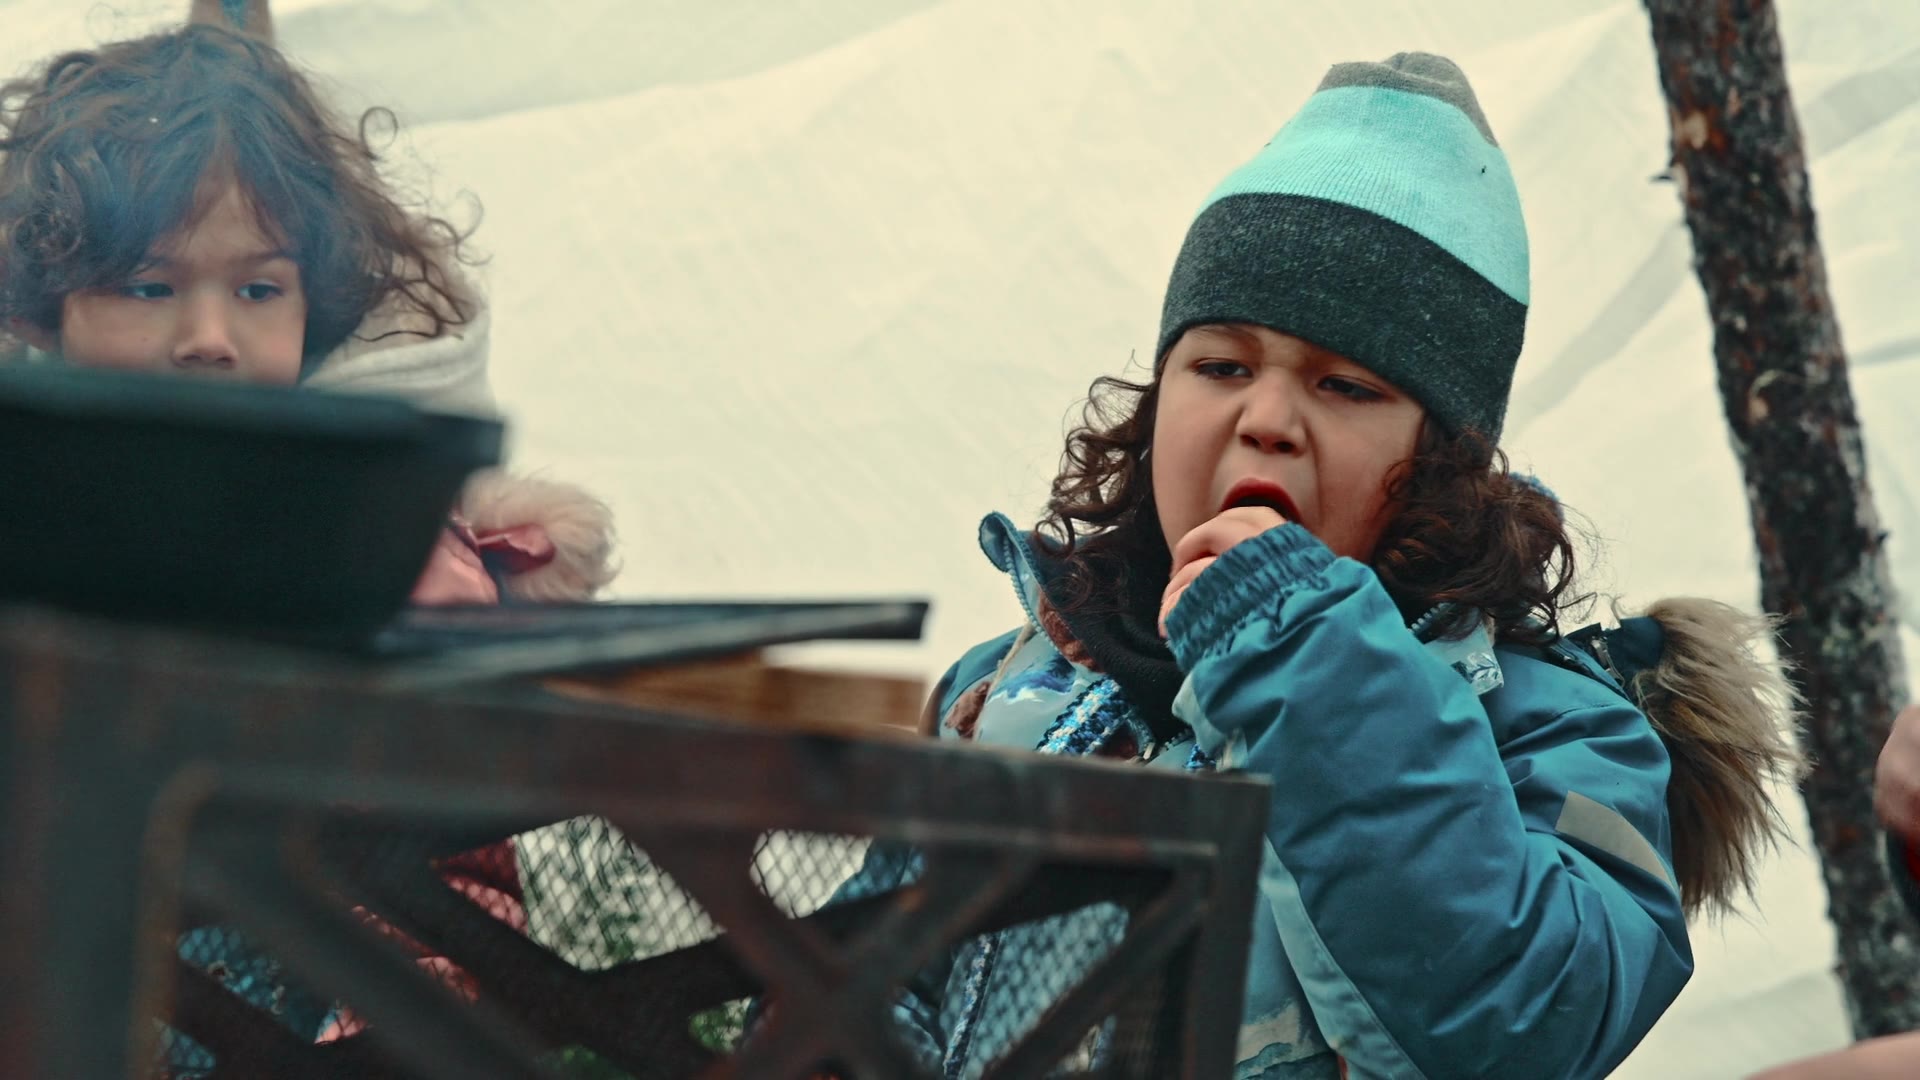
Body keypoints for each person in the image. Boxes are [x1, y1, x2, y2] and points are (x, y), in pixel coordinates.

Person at [831, 51, 1802, 1079]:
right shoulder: (1012, 682)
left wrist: (1297, 647)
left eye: (1345, 386)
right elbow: (877, 984)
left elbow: (1523, 1026)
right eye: (1220, 365)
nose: (1267, 419)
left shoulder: (1559, 734)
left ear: (1446, 460)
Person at [0, 11, 613, 1071]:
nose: (208, 339)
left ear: (312, 309)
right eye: (148, 287)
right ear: (44, 316)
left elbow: (441, 892)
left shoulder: (378, 556)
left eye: (257, 289)